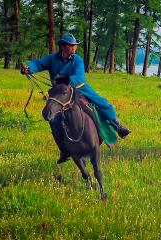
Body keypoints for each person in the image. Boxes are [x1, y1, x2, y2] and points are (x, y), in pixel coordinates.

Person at [21, 34, 130, 163]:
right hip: (60, 93)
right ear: (63, 46)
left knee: (103, 103)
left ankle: (117, 126)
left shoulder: (78, 60)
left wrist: (63, 81)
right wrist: (28, 67)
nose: (74, 48)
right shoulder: (52, 58)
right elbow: (38, 64)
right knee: (53, 120)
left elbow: (79, 78)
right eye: (71, 45)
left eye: (75, 46)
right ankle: (64, 150)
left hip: (79, 88)